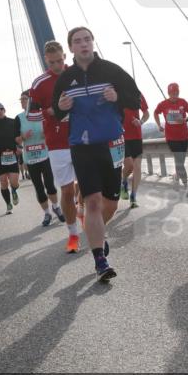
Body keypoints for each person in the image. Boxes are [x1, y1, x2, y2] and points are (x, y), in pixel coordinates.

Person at [53, 26, 141, 283]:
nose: (83, 44)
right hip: (82, 145)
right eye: (78, 41)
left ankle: (96, 233)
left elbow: (135, 99)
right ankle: (100, 258)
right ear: (71, 48)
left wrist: (117, 97)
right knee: (92, 201)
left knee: (111, 204)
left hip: (112, 143)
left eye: (87, 39)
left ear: (93, 42)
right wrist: (60, 107)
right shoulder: (66, 78)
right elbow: (56, 112)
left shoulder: (111, 70)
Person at [29, 40, 81, 253]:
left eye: (60, 61)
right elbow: (31, 114)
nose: (57, 66)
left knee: (87, 188)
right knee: (67, 192)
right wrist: (50, 111)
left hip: (82, 139)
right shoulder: (39, 83)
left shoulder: (79, 73)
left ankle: (83, 213)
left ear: (65, 56)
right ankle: (73, 234)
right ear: (45, 61)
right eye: (52, 63)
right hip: (57, 144)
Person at [15, 91, 63, 226]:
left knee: (50, 185)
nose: (22, 101)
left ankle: (56, 207)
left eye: (24, 99)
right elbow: (17, 139)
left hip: (45, 155)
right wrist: (23, 137)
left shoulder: (42, 115)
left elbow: (54, 130)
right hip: (30, 159)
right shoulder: (18, 118)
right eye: (21, 99)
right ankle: (47, 213)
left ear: (31, 101)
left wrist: (46, 134)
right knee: (39, 188)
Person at [154, 84, 188, 196]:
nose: (175, 94)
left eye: (176, 92)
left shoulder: (183, 102)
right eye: (173, 92)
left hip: (184, 136)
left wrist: (185, 119)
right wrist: (159, 125)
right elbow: (155, 112)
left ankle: (176, 176)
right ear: (169, 93)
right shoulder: (163, 104)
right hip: (171, 138)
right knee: (179, 162)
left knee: (180, 161)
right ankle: (187, 187)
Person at [121, 92, 149, 208]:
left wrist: (140, 122)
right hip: (121, 137)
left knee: (137, 167)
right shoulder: (116, 93)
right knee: (129, 166)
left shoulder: (138, 94)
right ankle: (123, 181)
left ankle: (133, 196)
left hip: (137, 136)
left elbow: (146, 113)